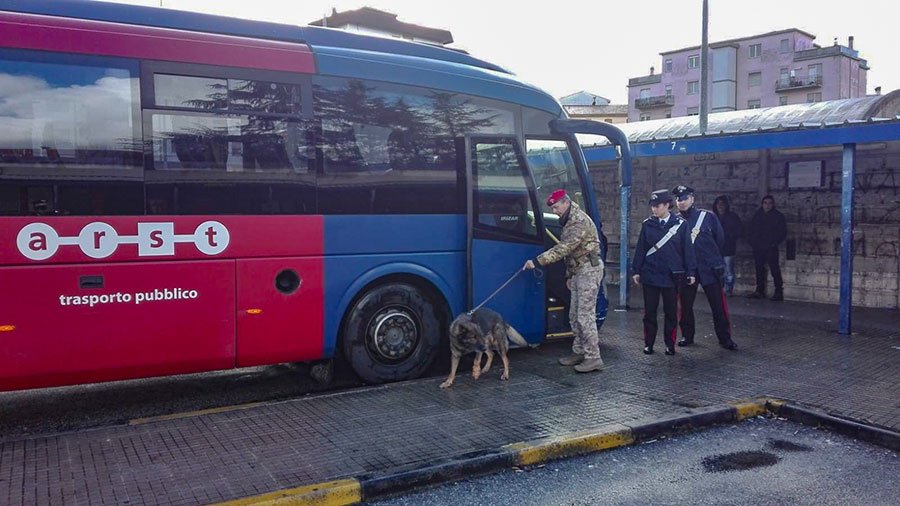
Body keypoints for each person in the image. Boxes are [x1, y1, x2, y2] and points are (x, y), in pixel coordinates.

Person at [523, 189, 606, 373]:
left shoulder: (577, 221)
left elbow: (564, 249)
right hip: (578, 271)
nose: (555, 211)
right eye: (552, 208)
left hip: (588, 271)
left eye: (556, 206)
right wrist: (569, 275)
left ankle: (593, 357)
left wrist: (537, 261)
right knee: (574, 315)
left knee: (585, 316)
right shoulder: (568, 219)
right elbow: (572, 254)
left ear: (566, 202)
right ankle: (578, 351)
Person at [672, 186, 738, 351]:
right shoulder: (675, 220)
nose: (682, 202)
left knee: (718, 306)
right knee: (685, 306)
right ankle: (687, 335)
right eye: (679, 199)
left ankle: (725, 338)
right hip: (689, 271)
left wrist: (713, 260)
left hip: (710, 269)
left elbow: (720, 239)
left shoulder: (707, 216)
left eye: (685, 198)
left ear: (692, 199)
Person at [631, 189, 697, 356]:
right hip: (651, 274)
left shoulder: (680, 225)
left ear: (667, 205)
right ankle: (649, 344)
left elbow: (687, 250)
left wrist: (691, 272)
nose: (654, 209)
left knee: (671, 312)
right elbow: (641, 248)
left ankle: (670, 344)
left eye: (658, 206)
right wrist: (636, 270)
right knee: (650, 312)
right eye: (652, 206)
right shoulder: (648, 224)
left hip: (671, 276)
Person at [746, 195, 787, 301]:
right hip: (758, 247)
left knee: (774, 269)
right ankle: (759, 291)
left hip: (770, 247)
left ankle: (778, 292)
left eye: (769, 203)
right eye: (765, 203)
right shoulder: (757, 215)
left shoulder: (778, 216)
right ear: (762, 204)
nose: (767, 205)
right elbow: (751, 230)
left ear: (773, 204)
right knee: (759, 269)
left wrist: (774, 243)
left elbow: (782, 232)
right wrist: (753, 243)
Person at [712, 195, 743, 295]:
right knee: (716, 270)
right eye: (718, 204)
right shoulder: (712, 217)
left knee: (728, 270)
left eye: (723, 204)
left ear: (726, 205)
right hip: (715, 249)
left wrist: (729, 236)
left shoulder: (732, 217)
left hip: (728, 248)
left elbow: (739, 231)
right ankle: (717, 289)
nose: (720, 206)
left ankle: (728, 289)